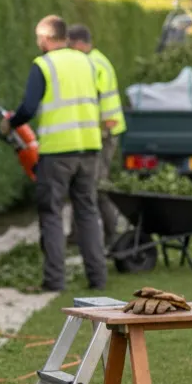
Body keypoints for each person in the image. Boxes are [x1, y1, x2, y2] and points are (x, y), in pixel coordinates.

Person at [0, 15, 106, 292]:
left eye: (38, 38)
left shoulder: (43, 65)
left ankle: (55, 281)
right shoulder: (87, 61)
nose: (37, 43)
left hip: (58, 152)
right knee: (87, 213)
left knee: (52, 214)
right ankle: (98, 278)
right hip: (90, 148)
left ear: (46, 38)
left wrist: (11, 123)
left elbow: (29, 107)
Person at [68, 24, 126, 246]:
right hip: (99, 132)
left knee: (97, 184)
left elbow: (99, 101)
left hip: (104, 133)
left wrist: (102, 131)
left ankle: (113, 233)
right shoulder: (95, 60)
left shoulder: (92, 64)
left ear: (79, 44)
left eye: (71, 47)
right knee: (83, 181)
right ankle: (76, 235)